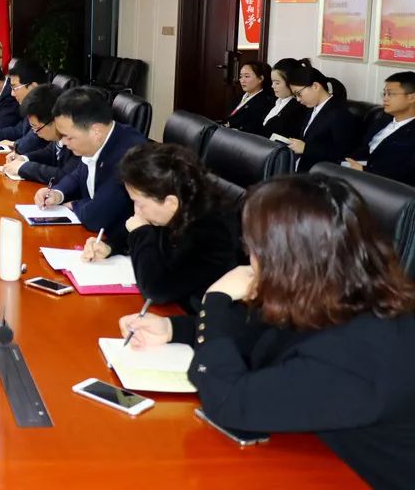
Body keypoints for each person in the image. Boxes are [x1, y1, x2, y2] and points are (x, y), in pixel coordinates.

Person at [119, 175, 415, 490]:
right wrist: (174, 328)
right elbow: (264, 332)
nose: (250, 258)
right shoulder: (342, 288)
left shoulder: (358, 351)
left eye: (255, 249)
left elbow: (230, 403)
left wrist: (215, 301)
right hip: (315, 457)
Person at [84, 143, 243, 311]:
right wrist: (109, 246)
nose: (136, 211)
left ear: (170, 203)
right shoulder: (175, 202)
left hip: (192, 317)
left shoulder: (212, 234)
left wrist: (140, 232)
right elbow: (133, 231)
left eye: (139, 204)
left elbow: (156, 291)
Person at [33, 87, 147, 249]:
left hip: (120, 246)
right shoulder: (98, 141)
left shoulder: (130, 155)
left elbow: (96, 217)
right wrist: (57, 193)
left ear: (96, 131)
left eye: (68, 137)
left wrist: (74, 205)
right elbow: (78, 173)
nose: (63, 142)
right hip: (95, 240)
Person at [2, 84, 81, 184]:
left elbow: (64, 176)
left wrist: (24, 167)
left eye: (37, 127)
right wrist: (24, 158)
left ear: (55, 121)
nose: (35, 132)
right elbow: (49, 152)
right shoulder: (57, 136)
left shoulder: (78, 140)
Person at [346, 71, 415, 185]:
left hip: (386, 187)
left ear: (411, 97)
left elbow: (405, 173)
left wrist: (364, 171)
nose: (385, 98)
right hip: (356, 175)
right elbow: (363, 150)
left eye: (390, 94)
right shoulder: (382, 119)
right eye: (384, 93)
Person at [284, 65, 357, 172]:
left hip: (321, 174)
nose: (298, 99)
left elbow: (343, 154)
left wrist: (306, 148)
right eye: (295, 96)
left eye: (299, 94)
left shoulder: (339, 114)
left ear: (315, 86)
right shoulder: (312, 108)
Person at [258, 57, 310, 140]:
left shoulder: (299, 108)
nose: (273, 86)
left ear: (291, 82)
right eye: (272, 82)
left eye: (277, 83)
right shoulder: (273, 101)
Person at [224, 61, 273, 132]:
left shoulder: (264, 102)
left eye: (247, 76)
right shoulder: (240, 96)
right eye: (241, 76)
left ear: (261, 78)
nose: (242, 80)